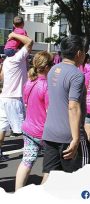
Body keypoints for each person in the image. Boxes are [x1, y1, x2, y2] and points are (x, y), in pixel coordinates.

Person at [42, 35, 90, 183]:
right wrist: (76, 138)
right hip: (69, 135)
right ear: (78, 53)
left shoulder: (52, 70)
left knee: (49, 176)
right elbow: (73, 106)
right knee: (79, 179)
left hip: (50, 132)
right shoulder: (76, 74)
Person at [15, 51, 53, 190]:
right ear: (47, 67)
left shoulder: (29, 83)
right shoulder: (47, 86)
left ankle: (18, 193)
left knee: (26, 162)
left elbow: (26, 103)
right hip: (44, 132)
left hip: (28, 128)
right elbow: (50, 112)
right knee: (51, 166)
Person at [0, 32, 33, 162]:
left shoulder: (6, 61)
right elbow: (29, 42)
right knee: (25, 127)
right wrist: (14, 34)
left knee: (1, 128)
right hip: (14, 98)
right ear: (17, 49)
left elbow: (1, 77)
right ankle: (31, 151)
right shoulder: (17, 58)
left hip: (4, 97)